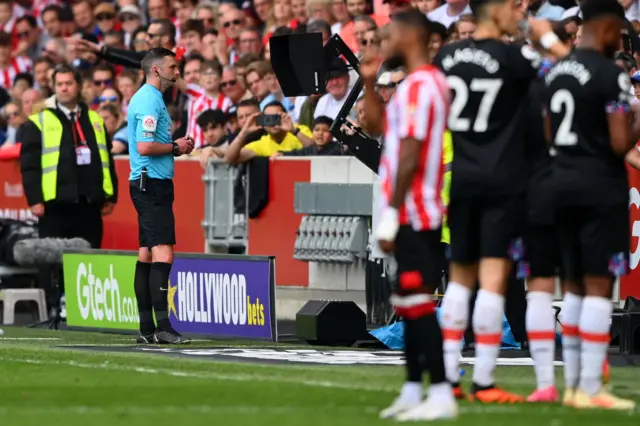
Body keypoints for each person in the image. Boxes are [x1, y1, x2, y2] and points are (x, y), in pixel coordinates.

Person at [432, 0, 570, 403]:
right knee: (493, 280)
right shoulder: (513, 58)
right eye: (513, 4)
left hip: (462, 177)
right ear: (495, 10)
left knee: (459, 279)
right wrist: (543, 36)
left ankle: (447, 375)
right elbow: (569, 76)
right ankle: (484, 382)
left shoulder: (447, 56)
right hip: (503, 180)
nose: (519, 9)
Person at [360, 9, 457, 421]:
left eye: (389, 36)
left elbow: (414, 151)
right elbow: (378, 127)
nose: (384, 43)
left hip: (417, 212)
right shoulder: (408, 87)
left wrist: (392, 212)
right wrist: (367, 81)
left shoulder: (425, 85)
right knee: (408, 300)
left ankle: (440, 391)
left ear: (411, 36)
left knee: (417, 302)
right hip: (407, 211)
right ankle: (415, 387)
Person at [544, 0, 638, 410]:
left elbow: (547, 131)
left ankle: (573, 385)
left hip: (560, 184)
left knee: (576, 285)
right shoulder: (610, 76)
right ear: (608, 28)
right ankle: (590, 386)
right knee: (600, 286)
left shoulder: (556, 72)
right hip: (599, 187)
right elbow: (621, 143)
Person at [127, 48, 194, 345]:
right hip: (151, 183)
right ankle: (163, 327)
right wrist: (177, 147)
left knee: (146, 253)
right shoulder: (148, 100)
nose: (177, 71)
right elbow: (144, 146)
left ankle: (146, 328)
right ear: (156, 70)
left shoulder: (150, 99)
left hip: (147, 182)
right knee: (164, 252)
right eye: (172, 66)